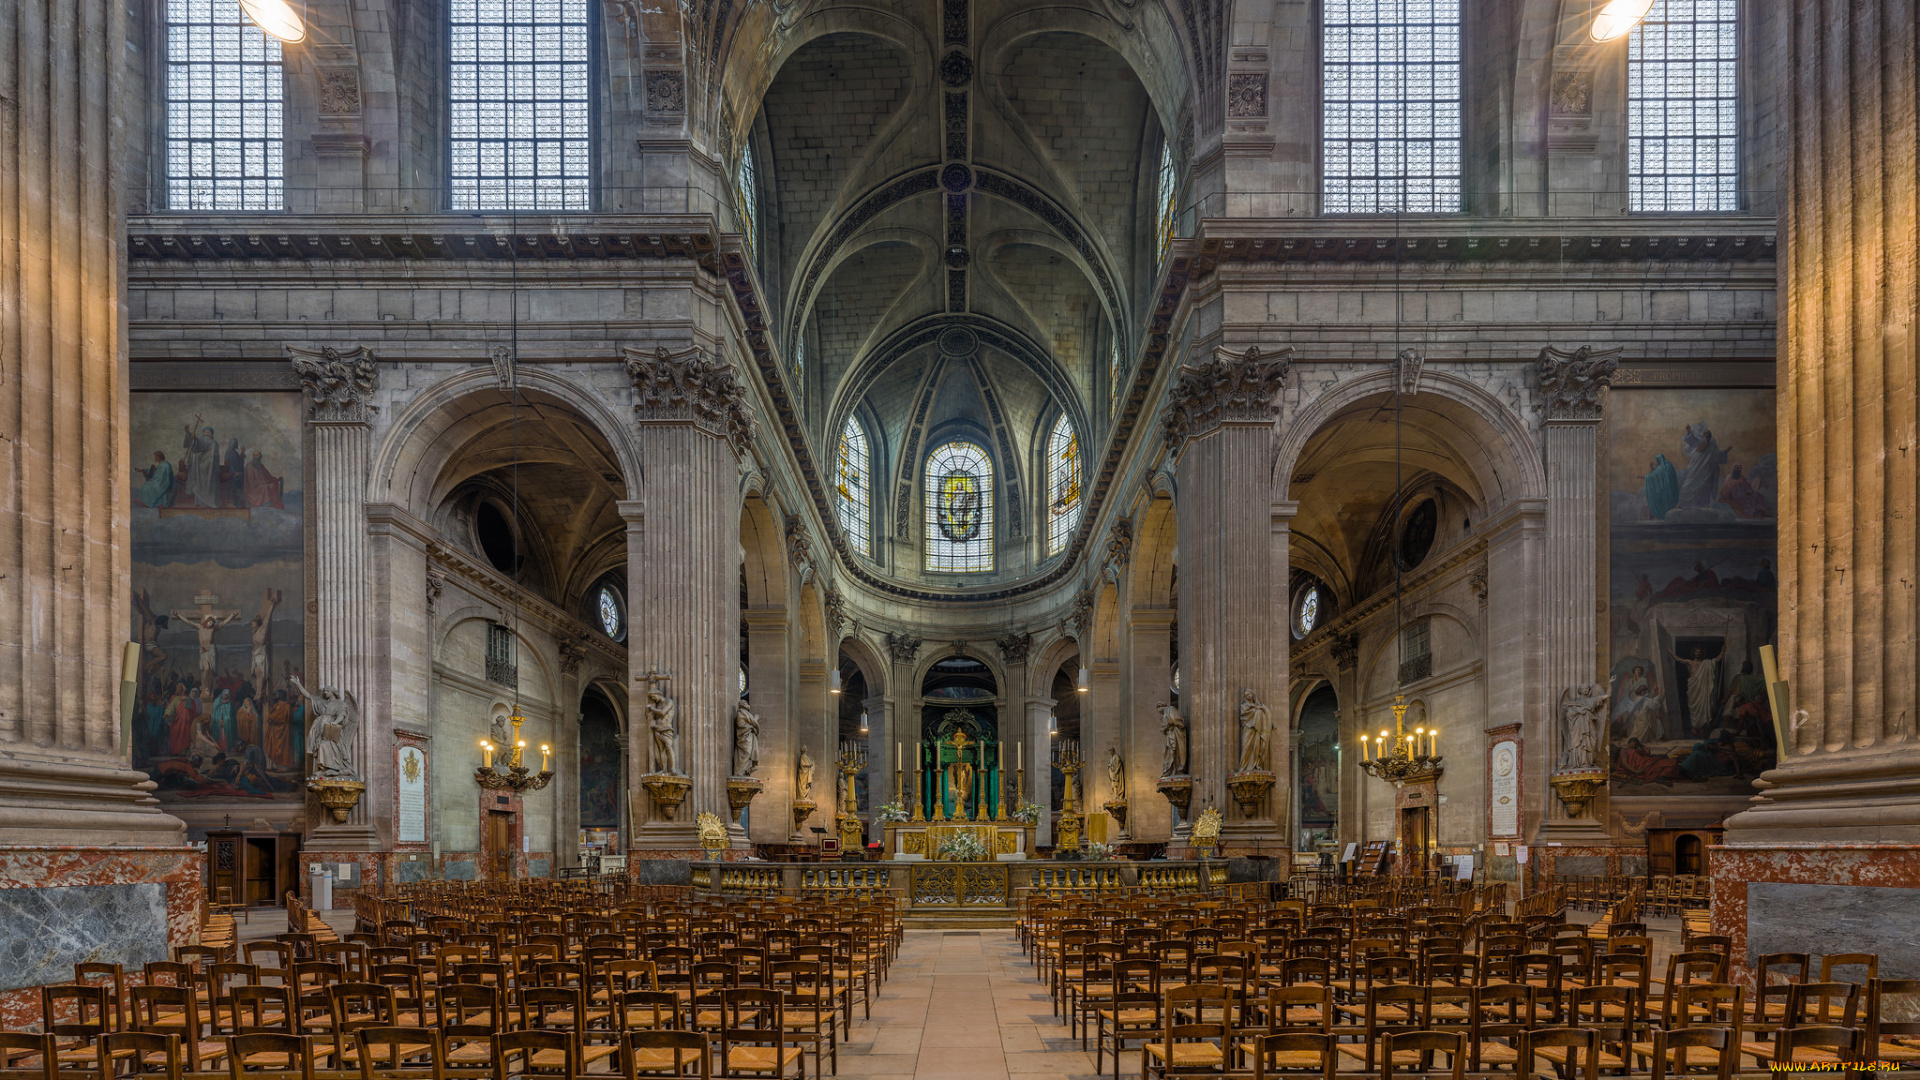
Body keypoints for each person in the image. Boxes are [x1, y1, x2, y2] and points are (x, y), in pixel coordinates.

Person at [1671, 645, 1721, 734]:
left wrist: (1723, 651)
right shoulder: (1690, 662)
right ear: (1694, 653)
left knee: (1703, 706)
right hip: (1693, 689)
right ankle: (1694, 726)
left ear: (1702, 653)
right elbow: (1678, 659)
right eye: (1696, 652)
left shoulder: (1706, 663)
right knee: (1693, 708)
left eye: (1699, 652)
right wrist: (1671, 652)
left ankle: (1702, 726)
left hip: (1702, 690)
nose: (1698, 653)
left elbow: (1716, 659)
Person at [181, 421, 220, 508]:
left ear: (211, 434)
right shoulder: (200, 441)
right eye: (205, 432)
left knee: (208, 485)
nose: (206, 434)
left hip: (209, 469)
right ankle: (200, 502)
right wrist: (189, 435)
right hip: (199, 469)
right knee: (199, 484)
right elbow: (195, 445)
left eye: (208, 432)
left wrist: (205, 463)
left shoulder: (214, 443)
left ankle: (209, 502)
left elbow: (213, 457)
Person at [647, 686, 680, 775]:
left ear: (658, 694)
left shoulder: (669, 702)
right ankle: (664, 769)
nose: (653, 699)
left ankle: (672, 769)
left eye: (653, 696)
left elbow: (663, 713)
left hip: (666, 729)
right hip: (658, 729)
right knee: (661, 750)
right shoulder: (657, 705)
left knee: (669, 747)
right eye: (651, 698)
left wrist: (652, 708)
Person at [1237, 689, 1272, 772]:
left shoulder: (1259, 705)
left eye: (1249, 694)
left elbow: (1266, 712)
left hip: (1257, 729)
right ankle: (1243, 767)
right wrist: (1258, 710)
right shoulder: (1244, 705)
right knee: (1246, 747)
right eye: (1246, 695)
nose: (1249, 696)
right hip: (1248, 728)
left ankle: (1255, 765)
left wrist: (1261, 710)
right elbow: (1244, 715)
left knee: (1256, 747)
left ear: (1253, 694)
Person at [1643, 454, 1679, 520]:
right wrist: (1652, 468)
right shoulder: (1665, 466)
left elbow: (1656, 474)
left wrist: (1646, 477)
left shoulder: (1666, 466)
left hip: (1669, 488)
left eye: (1658, 460)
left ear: (1661, 459)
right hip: (1665, 488)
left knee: (1667, 501)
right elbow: (1656, 474)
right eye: (1656, 460)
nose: (1657, 462)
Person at [732, 696, 760, 777]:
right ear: (743, 704)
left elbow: (751, 723)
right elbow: (742, 725)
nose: (747, 705)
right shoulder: (741, 712)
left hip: (748, 736)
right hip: (744, 736)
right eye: (745, 703)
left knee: (749, 754)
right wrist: (754, 720)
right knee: (746, 753)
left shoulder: (746, 713)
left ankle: (745, 770)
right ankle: (739, 771)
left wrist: (753, 724)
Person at [1159, 701, 1188, 777]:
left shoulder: (1171, 709)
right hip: (1170, 734)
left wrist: (1166, 726)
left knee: (1178, 750)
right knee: (1168, 752)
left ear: (1160, 707)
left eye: (1158, 709)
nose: (1159, 712)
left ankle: (1179, 769)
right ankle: (1171, 769)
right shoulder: (1166, 712)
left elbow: (1175, 720)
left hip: (1176, 733)